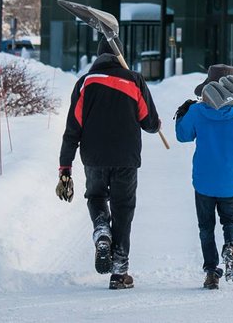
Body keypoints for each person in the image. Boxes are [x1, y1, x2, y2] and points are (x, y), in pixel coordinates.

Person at [56, 39, 162, 290]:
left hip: (93, 156)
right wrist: (157, 125)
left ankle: (102, 228)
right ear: (120, 55)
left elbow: (73, 129)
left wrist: (65, 168)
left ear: (98, 57)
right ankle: (119, 272)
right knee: (123, 208)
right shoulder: (134, 79)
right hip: (126, 157)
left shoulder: (85, 82)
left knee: (95, 196)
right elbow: (149, 122)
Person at [175, 64, 233, 290]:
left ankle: (211, 272)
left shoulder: (197, 111)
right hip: (230, 181)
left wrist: (182, 113)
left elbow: (183, 136)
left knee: (206, 228)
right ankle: (231, 247)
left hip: (203, 181)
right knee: (230, 221)